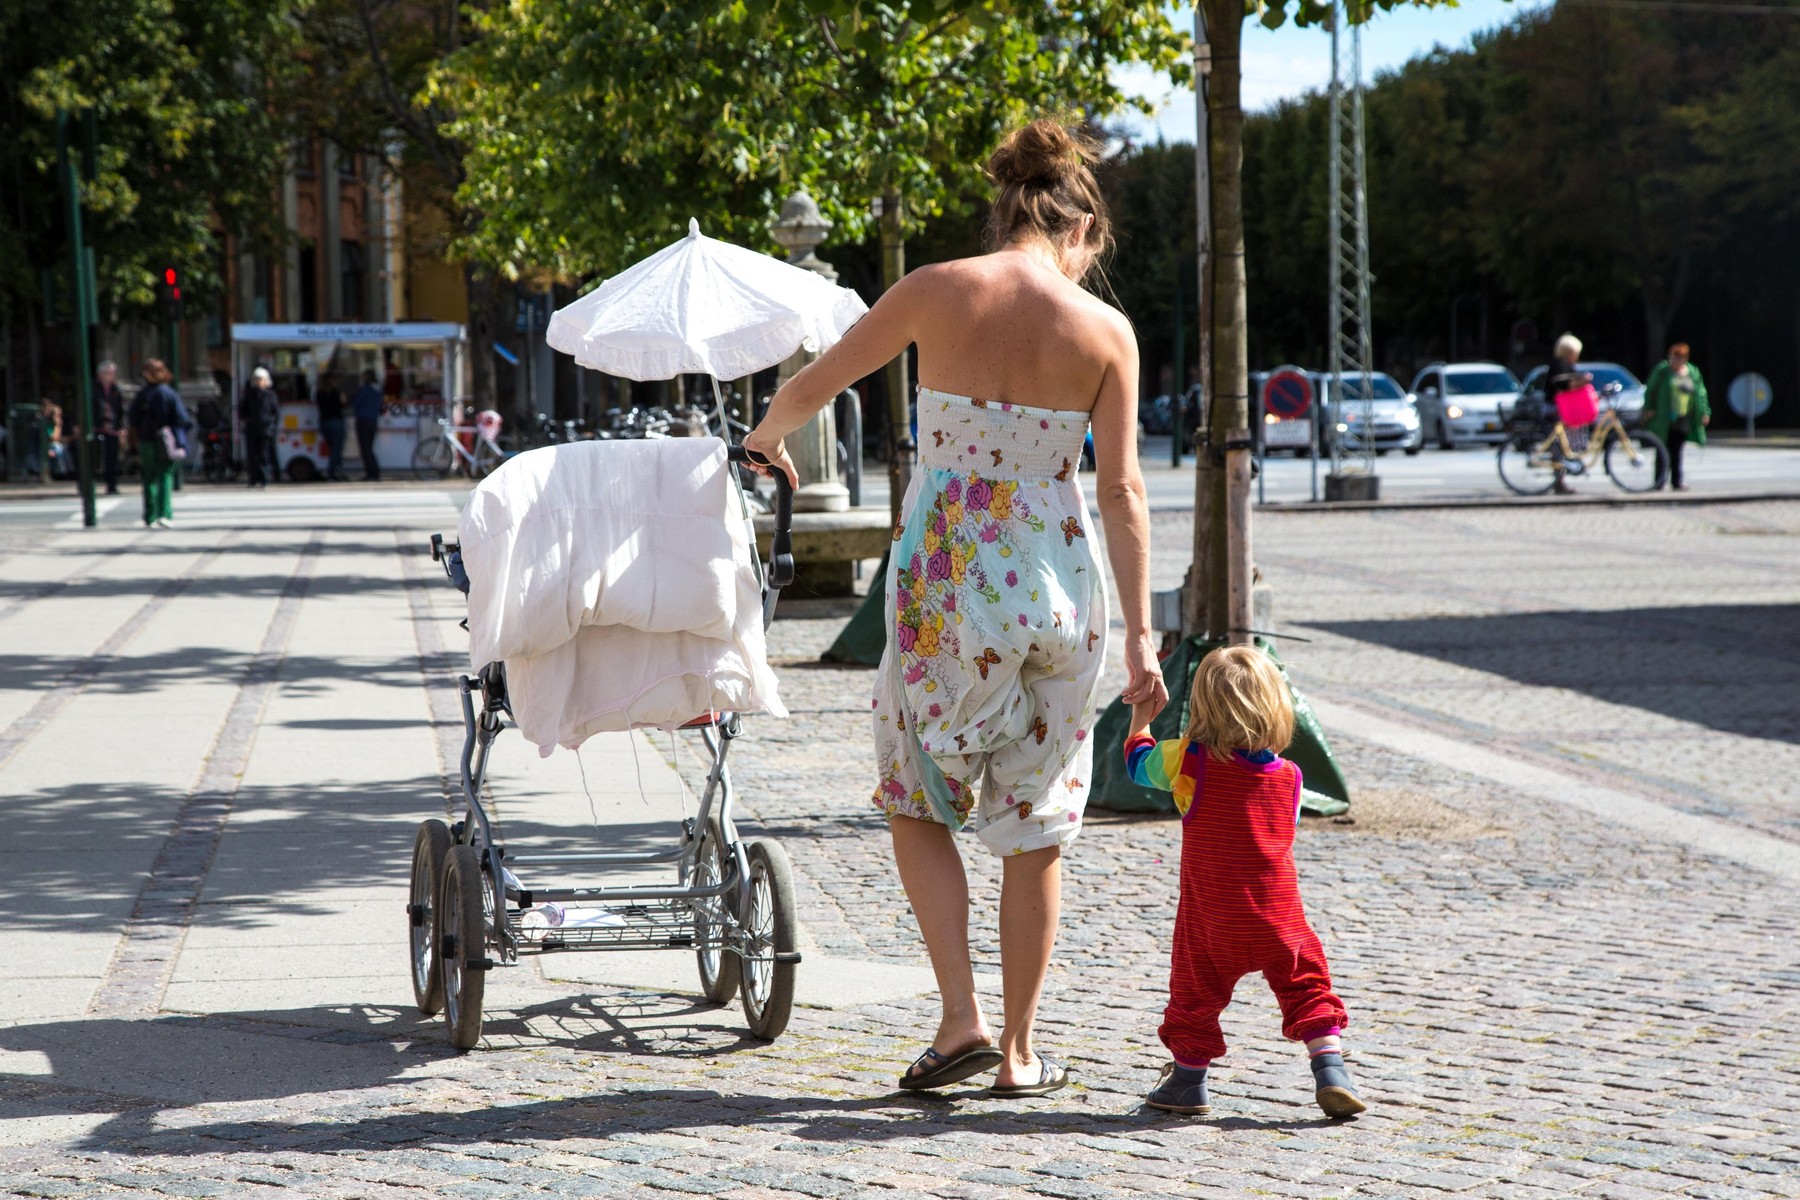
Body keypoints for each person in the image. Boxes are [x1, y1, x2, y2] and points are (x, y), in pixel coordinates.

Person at [744, 118, 1167, 1097]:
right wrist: (1143, 638)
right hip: (1062, 592)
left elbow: (815, 383)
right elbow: (1122, 491)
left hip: (948, 591)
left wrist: (766, 438)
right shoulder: (1107, 332)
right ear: (1080, 229)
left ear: (1005, 210)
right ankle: (1018, 1054)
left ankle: (959, 1018)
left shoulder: (934, 290)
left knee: (916, 797)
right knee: (1038, 822)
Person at [1123, 645, 1366, 1120]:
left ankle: (1188, 1082)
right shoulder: (1291, 778)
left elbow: (1137, 765)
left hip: (1213, 920)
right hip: (1281, 921)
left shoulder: (1189, 762)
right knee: (1307, 987)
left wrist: (1141, 719)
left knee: (1195, 992)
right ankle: (1331, 1069)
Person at [127, 359, 187, 528]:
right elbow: (181, 418)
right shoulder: (169, 393)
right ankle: (164, 514)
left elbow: (132, 418)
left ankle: (150, 515)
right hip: (166, 439)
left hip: (146, 439)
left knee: (149, 477)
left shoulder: (142, 394)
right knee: (165, 475)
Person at [1643, 342, 1709, 491]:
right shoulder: (1662, 371)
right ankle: (1659, 482)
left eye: (1678, 358)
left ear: (1685, 359)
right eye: (1673, 357)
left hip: (1683, 417)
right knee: (1662, 448)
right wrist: (1649, 408)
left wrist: (1704, 412)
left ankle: (1677, 482)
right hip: (1664, 418)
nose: (1674, 361)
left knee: (1677, 450)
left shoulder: (1692, 372)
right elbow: (1650, 390)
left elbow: (1701, 393)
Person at [1543, 333, 1591, 496]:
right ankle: (1559, 482)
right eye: (1576, 352)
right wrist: (1583, 381)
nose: (1577, 356)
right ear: (1570, 351)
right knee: (1560, 446)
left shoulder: (1561, 364)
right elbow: (1565, 385)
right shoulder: (1561, 365)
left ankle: (1560, 479)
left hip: (1558, 407)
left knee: (1561, 445)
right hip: (1556, 409)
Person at [239, 367, 279, 488]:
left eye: (261, 380)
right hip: (251, 429)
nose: (259, 382)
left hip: (266, 429)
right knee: (252, 455)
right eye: (257, 380)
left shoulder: (271, 395)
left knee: (264, 455)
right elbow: (242, 411)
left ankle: (264, 479)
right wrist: (248, 420)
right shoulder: (249, 395)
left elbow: (275, 412)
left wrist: (270, 424)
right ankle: (253, 479)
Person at [94, 360, 125, 494]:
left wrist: (122, 426)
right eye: (107, 373)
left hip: (112, 428)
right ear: (100, 374)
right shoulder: (93, 388)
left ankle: (111, 484)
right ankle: (89, 483)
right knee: (95, 455)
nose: (110, 376)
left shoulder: (116, 390)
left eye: (112, 373)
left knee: (112, 457)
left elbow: (121, 409)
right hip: (97, 427)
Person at [352, 369, 385, 481]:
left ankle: (372, 473)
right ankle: (373, 472)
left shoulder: (365, 389)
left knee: (365, 449)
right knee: (369, 448)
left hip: (363, 420)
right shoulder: (378, 390)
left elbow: (356, 403)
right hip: (373, 420)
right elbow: (381, 406)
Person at [316, 374, 349, 480]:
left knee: (333, 449)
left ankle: (338, 472)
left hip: (324, 422)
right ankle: (332, 472)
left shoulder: (319, 393)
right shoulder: (336, 393)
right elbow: (343, 405)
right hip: (336, 421)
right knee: (336, 449)